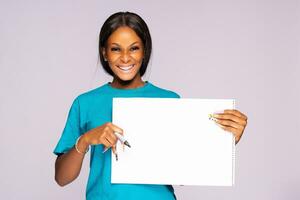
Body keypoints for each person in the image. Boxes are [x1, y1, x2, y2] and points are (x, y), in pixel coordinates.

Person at [54, 11, 248, 200]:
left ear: (145, 51)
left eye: (134, 48)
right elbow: (61, 179)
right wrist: (86, 139)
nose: (125, 58)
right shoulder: (85, 103)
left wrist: (225, 141)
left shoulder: (169, 100)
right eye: (115, 49)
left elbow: (184, 172)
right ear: (104, 52)